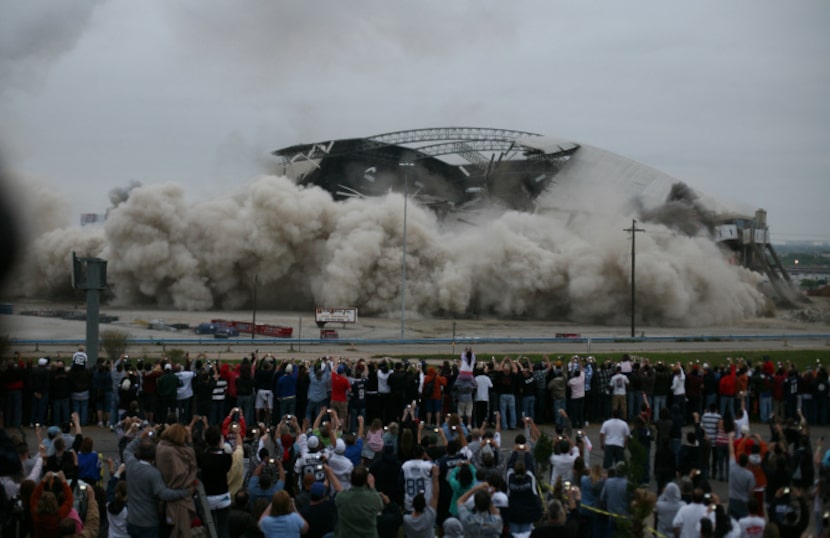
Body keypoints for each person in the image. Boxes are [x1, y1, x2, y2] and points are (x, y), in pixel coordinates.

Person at [122, 425, 191, 538]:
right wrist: (184, 492)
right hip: (149, 522)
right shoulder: (154, 473)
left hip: (133, 520)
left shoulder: (131, 465)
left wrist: (141, 436)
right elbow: (163, 494)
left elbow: (127, 450)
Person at [155, 423, 198, 538]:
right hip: (178, 497)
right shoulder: (176, 453)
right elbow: (182, 472)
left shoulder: (160, 447)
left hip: (166, 495)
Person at [198, 425, 234, 537]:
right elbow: (226, 466)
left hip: (207, 497)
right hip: (223, 497)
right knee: (223, 529)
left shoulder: (202, 458)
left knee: (209, 530)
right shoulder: (226, 458)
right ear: (219, 440)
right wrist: (222, 447)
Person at [334, 465, 385, 538]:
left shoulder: (341, 497)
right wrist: (372, 487)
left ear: (351, 479)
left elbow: (339, 494)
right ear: (366, 481)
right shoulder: (373, 498)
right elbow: (380, 506)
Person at [402, 466, 439, 538]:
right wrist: (435, 476)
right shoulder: (430, 515)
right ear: (424, 505)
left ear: (413, 505)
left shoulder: (406, 519)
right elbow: (435, 495)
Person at [728, 432, 756, 521]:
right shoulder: (749, 474)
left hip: (732, 499)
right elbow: (751, 491)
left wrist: (730, 438)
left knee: (732, 523)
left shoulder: (732, 467)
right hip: (743, 501)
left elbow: (732, 452)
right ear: (747, 462)